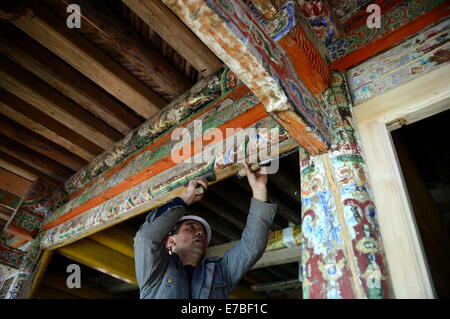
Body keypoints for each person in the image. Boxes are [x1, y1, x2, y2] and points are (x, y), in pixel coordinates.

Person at [134, 163, 277, 299]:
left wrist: (259, 192)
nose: (200, 233)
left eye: (201, 231)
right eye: (191, 227)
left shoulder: (221, 272)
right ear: (171, 240)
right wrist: (187, 197)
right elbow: (146, 238)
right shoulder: (156, 270)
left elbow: (251, 247)